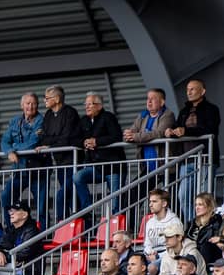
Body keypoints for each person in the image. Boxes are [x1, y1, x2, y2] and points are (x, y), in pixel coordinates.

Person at [57, 91, 123, 219]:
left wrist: (96, 142)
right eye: (85, 104)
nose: (86, 107)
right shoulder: (84, 120)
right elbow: (72, 139)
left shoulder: (108, 117)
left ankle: (116, 223)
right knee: (78, 177)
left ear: (99, 106)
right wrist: (84, 142)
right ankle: (87, 209)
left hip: (113, 166)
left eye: (90, 104)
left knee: (115, 200)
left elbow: (116, 136)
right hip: (95, 166)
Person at [168, 79, 221, 222]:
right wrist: (171, 131)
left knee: (204, 198)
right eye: (187, 89)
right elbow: (178, 127)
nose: (189, 92)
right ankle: (194, 226)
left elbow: (210, 129)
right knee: (183, 196)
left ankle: (205, 225)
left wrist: (185, 131)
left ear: (202, 91)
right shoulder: (184, 110)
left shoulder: (211, 109)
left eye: (192, 89)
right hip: (187, 160)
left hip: (205, 159)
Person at [33, 85, 81, 226]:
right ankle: (73, 226)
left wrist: (51, 144)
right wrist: (53, 141)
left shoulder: (70, 113)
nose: (44, 101)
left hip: (73, 162)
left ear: (57, 99)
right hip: (59, 163)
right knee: (69, 197)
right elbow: (44, 138)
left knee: (63, 196)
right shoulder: (48, 115)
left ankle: (64, 226)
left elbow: (67, 138)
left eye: (47, 98)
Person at [0, 92, 46, 224]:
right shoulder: (15, 121)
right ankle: (10, 229)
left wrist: (14, 148)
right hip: (19, 170)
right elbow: (5, 141)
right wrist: (9, 151)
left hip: (38, 171)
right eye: (27, 103)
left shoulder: (42, 121)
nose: (30, 106)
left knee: (41, 206)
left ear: (38, 105)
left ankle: (45, 232)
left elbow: (33, 143)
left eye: (34, 103)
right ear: (22, 105)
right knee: (6, 197)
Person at [0, 200, 44, 275]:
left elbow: (25, 252)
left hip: (26, 269)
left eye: (15, 211)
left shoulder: (32, 230)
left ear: (24, 215)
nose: (11, 213)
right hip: (13, 266)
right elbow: (0, 246)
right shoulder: (10, 230)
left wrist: (5, 256)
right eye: (10, 211)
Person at [123, 88, 176, 176]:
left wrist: (135, 136)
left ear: (162, 102)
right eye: (148, 98)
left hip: (164, 165)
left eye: (153, 98)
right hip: (146, 167)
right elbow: (130, 133)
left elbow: (159, 133)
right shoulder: (142, 116)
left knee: (169, 185)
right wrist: (127, 135)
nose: (149, 101)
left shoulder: (168, 115)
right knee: (138, 185)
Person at [143, 189, 182, 275]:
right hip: (151, 255)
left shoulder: (174, 221)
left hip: (168, 255)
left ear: (164, 204)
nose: (150, 205)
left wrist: (157, 256)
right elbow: (147, 244)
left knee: (152, 268)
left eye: (154, 201)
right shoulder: (149, 222)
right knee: (135, 264)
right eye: (150, 201)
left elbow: (176, 247)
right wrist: (150, 253)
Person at [186, 192, 223, 266]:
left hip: (208, 252)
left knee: (205, 246)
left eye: (200, 205)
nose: (197, 207)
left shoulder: (216, 221)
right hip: (192, 251)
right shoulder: (192, 223)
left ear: (209, 207)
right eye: (196, 205)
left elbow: (212, 239)